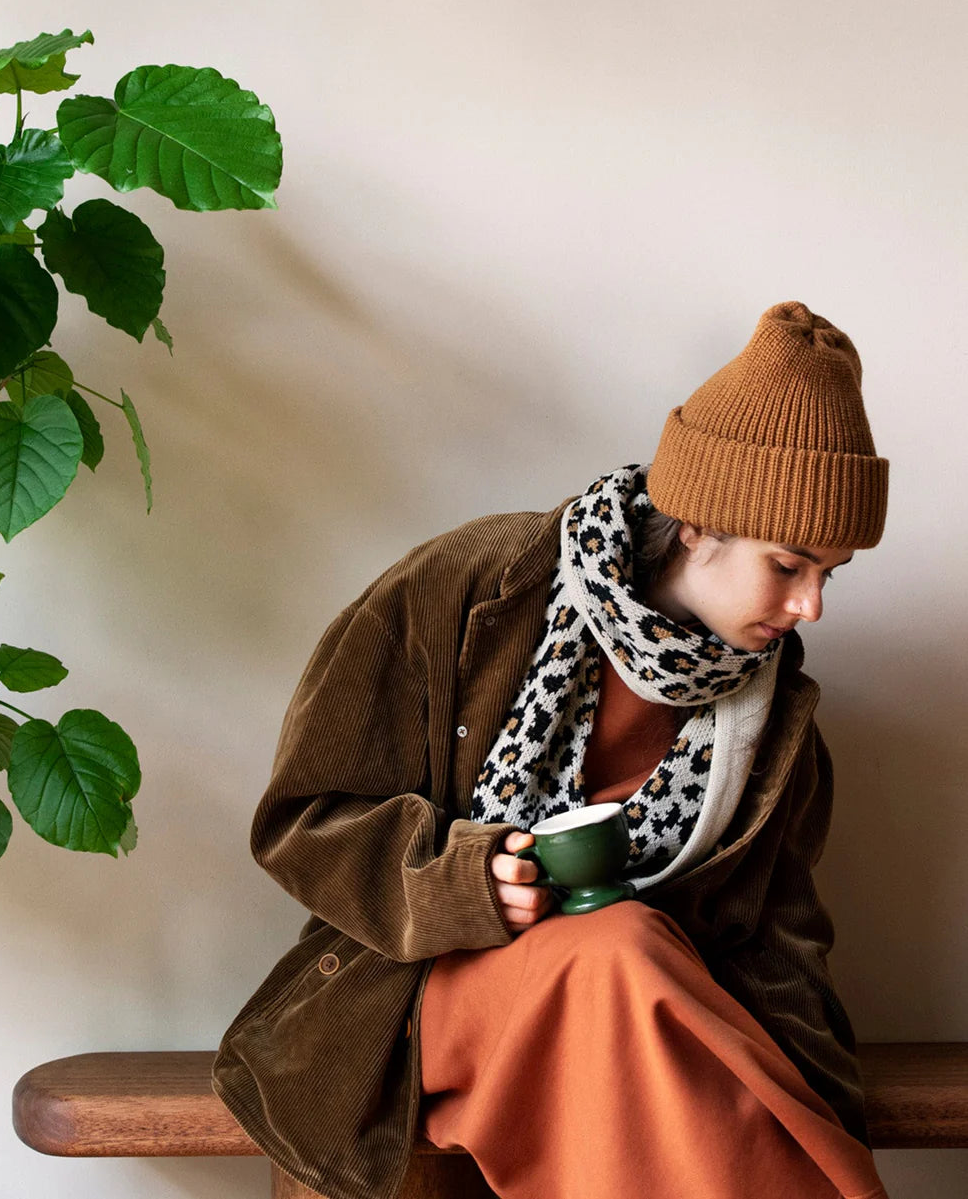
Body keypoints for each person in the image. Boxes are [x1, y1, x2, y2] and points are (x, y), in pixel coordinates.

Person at [213, 301, 891, 1199]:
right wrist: (465, 880)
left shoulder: (777, 719)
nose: (811, 607)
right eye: (789, 564)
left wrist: (820, 1104)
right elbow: (302, 820)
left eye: (828, 575)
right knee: (618, 945)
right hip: (421, 994)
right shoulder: (466, 587)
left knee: (628, 956)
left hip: (643, 1025)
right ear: (698, 523)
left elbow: (781, 947)